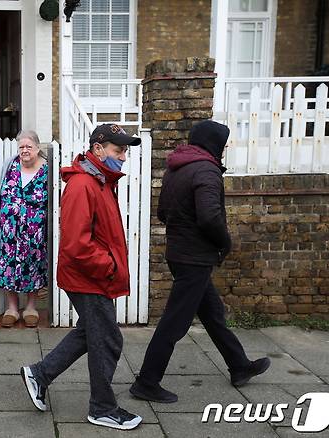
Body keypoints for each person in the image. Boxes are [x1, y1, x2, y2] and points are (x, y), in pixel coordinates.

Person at [129, 120, 270, 404]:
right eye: (224, 143)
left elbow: (163, 212)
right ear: (213, 142)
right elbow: (209, 216)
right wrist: (224, 242)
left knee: (213, 314)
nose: (225, 148)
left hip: (180, 254)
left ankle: (239, 366)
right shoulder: (206, 170)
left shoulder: (176, 168)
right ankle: (146, 382)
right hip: (194, 258)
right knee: (174, 323)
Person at [20, 124, 142, 431]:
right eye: (119, 151)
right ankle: (101, 407)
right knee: (108, 339)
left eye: (125, 151)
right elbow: (76, 245)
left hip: (93, 275)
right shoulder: (83, 185)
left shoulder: (100, 181)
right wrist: (110, 267)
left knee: (92, 332)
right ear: (98, 149)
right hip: (88, 277)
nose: (123, 157)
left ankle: (39, 374)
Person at [0, 130, 49, 328]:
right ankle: (12, 308)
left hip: (35, 232)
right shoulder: (11, 166)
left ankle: (31, 307)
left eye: (29, 147)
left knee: (32, 265)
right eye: (21, 147)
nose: (24, 151)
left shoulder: (46, 170)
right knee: (8, 265)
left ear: (38, 148)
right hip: (9, 230)